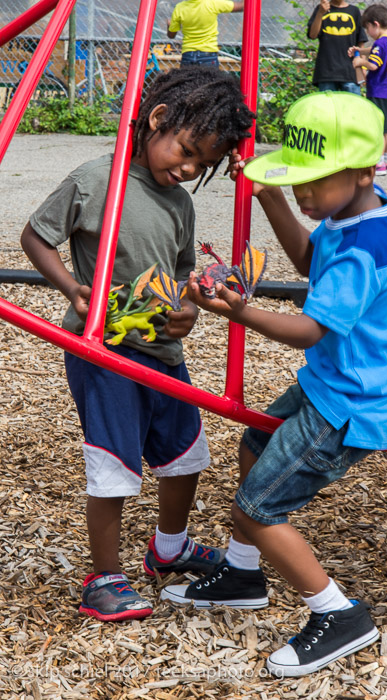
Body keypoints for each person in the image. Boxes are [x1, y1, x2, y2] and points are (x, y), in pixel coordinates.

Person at [160, 91, 387, 677]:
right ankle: (246, 573)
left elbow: (307, 328)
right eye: (294, 181)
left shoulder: (360, 248)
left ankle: (338, 614)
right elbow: (308, 264)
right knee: (253, 446)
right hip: (335, 381)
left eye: (310, 183)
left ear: (359, 171)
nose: (303, 194)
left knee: (255, 509)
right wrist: (273, 196)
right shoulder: (353, 211)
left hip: (352, 403)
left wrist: (238, 311)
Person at [20, 67, 255, 623]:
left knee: (185, 454)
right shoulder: (96, 179)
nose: (190, 168)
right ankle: (103, 578)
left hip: (163, 354)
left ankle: (169, 547)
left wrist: (188, 311)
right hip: (104, 350)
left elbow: (180, 274)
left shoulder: (179, 203)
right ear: (157, 121)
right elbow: (36, 234)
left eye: (204, 163)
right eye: (188, 150)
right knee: (113, 463)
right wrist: (72, 288)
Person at [349, 4, 387, 175]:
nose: (368, 32)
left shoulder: (379, 44)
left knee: (377, 128)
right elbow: (377, 51)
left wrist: (360, 62)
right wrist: (362, 50)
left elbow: (373, 64)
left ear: (375, 24)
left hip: (377, 93)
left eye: (368, 28)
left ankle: (378, 163)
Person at [307, 0, 367, 93]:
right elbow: (313, 35)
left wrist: (363, 66)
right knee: (328, 106)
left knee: (352, 105)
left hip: (350, 72)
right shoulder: (321, 9)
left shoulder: (354, 11)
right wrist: (320, 13)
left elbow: (360, 41)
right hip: (327, 71)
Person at [167, 0, 244, 68]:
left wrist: (169, 25)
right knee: (210, 82)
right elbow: (242, 6)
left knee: (188, 83)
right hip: (208, 54)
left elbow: (171, 35)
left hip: (188, 54)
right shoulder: (212, 4)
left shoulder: (179, 8)